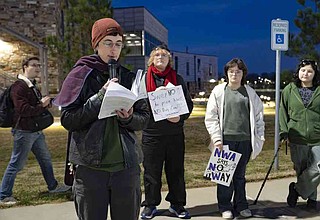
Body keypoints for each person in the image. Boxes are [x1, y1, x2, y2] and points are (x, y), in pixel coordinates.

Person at [53, 18, 150, 220]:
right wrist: (98, 98)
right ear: (96, 44)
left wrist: (129, 118)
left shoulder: (129, 78)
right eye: (108, 43)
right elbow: (69, 120)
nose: (114, 49)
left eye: (118, 44)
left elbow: (144, 118)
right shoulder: (80, 75)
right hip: (90, 169)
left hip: (126, 167)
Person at [0, 57, 70, 205]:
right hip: (24, 131)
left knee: (45, 159)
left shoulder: (30, 85)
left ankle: (53, 186)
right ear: (25, 67)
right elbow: (23, 110)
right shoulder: (19, 87)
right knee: (16, 163)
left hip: (35, 130)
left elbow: (32, 106)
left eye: (39, 65)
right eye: (34, 65)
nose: (38, 68)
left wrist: (43, 104)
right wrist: (42, 105)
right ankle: (4, 195)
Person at [204, 58, 265, 219]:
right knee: (224, 177)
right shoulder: (219, 91)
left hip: (244, 140)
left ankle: (242, 205)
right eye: (231, 71)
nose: (234, 74)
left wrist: (259, 136)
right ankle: (225, 206)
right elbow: (211, 116)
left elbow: (259, 116)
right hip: (225, 141)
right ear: (227, 73)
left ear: (243, 73)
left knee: (240, 176)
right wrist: (216, 138)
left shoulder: (249, 92)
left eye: (238, 71)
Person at [140, 45, 194, 219]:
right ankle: (150, 204)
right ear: (152, 58)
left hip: (174, 134)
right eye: (157, 54)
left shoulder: (177, 79)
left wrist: (179, 117)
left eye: (164, 54)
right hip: (151, 133)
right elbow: (137, 104)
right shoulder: (143, 79)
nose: (161, 56)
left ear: (169, 59)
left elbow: (188, 104)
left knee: (176, 171)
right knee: (151, 172)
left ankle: (177, 204)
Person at [279, 59, 320, 210]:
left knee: (317, 168)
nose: (306, 73)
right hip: (297, 137)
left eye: (310, 71)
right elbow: (282, 112)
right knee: (302, 169)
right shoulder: (289, 89)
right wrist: (283, 132)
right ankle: (312, 199)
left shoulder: (319, 90)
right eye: (303, 70)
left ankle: (296, 190)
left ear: (314, 74)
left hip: (317, 137)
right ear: (298, 72)